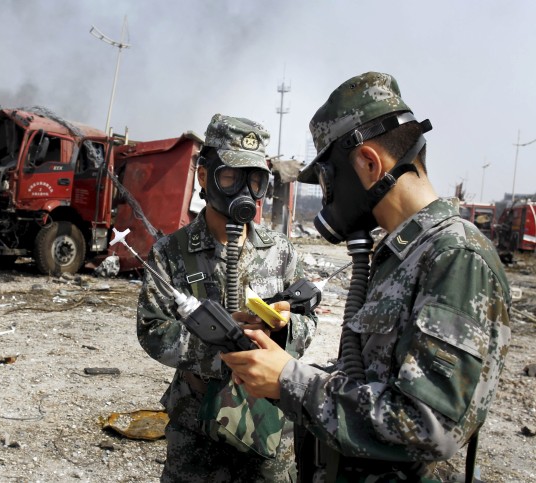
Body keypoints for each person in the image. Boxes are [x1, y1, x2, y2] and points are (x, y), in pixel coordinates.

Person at [221, 72, 511, 482]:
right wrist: (278, 359)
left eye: (326, 180)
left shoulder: (455, 258)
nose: (327, 197)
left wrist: (288, 379)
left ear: (369, 163)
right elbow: (370, 379)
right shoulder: (401, 253)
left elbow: (428, 425)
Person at [137, 114, 318, 482]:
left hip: (266, 427)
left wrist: (282, 330)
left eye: (255, 180)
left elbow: (307, 320)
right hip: (198, 429)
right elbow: (152, 329)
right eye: (231, 177)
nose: (244, 191)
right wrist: (221, 348)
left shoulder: (280, 251)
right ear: (204, 176)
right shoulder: (172, 252)